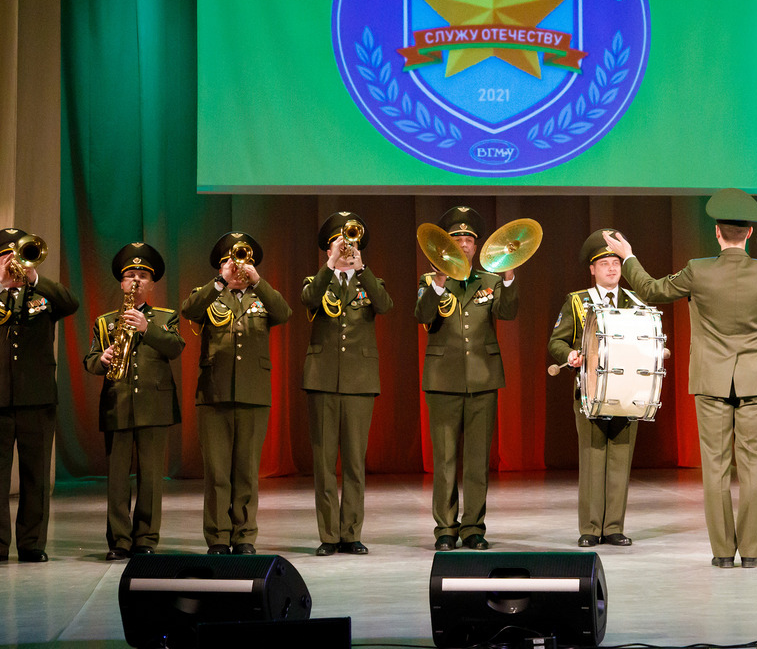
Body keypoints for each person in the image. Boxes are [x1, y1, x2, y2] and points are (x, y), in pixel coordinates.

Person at [603, 189, 757, 568]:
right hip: (755, 382)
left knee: (716, 467)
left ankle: (724, 552)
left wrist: (628, 256)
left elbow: (649, 289)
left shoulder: (698, 269)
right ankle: (752, 552)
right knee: (754, 465)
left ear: (717, 233)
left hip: (711, 382)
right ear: (749, 234)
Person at [0, 228, 79, 565]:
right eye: (5, 257)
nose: (13, 262)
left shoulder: (43, 296)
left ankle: (31, 544)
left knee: (35, 475)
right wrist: (0, 285)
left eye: (18, 255)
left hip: (37, 397)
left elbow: (70, 303)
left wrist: (34, 277)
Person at [180, 231, 292, 555]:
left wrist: (258, 281)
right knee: (217, 472)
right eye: (231, 262)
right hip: (214, 394)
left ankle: (244, 536)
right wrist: (220, 282)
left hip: (253, 394)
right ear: (221, 266)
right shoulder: (209, 295)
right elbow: (189, 310)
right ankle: (218, 537)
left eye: (243, 261)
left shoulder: (262, 296)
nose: (238, 267)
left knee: (246, 471)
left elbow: (283, 313)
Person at [415, 206, 519, 551]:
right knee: (444, 460)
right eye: (456, 239)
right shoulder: (430, 281)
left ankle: (473, 527)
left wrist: (508, 276)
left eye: (469, 240)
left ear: (476, 247)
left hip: (483, 379)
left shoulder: (489, 280)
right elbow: (422, 315)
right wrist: (439, 283)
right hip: (443, 380)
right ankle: (446, 529)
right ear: (445, 245)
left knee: (477, 460)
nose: (463, 244)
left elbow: (508, 312)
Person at [83, 242, 183, 560]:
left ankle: (146, 539)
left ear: (152, 284)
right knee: (117, 479)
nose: (136, 280)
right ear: (121, 284)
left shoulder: (165, 317)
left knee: (151, 478)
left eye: (143, 276)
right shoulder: (105, 321)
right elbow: (90, 360)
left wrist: (147, 328)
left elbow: (175, 348)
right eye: (130, 276)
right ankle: (119, 540)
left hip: (155, 406)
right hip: (118, 404)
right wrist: (102, 359)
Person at [302, 212, 393, 556]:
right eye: (339, 243)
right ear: (328, 249)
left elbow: (384, 305)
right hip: (323, 379)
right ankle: (329, 535)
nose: (346, 248)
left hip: (359, 380)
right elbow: (309, 300)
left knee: (354, 462)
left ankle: (351, 532)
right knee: (324, 463)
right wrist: (330, 266)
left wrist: (361, 268)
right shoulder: (317, 280)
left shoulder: (370, 281)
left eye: (351, 242)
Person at [548, 229, 640, 548]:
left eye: (616, 262)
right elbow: (556, 341)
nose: (612, 269)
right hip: (589, 390)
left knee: (620, 459)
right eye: (604, 264)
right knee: (592, 457)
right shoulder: (577, 301)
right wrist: (569, 355)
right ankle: (590, 527)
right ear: (592, 269)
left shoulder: (634, 301)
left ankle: (613, 527)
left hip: (627, 391)